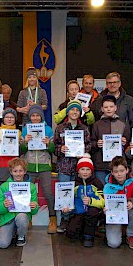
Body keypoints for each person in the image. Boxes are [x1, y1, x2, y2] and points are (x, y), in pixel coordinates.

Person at [54, 99, 91, 233]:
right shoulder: (60, 128)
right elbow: (54, 147)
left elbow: (88, 145)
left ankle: (76, 221)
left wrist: (82, 152)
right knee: (64, 194)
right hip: (64, 167)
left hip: (79, 168)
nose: (74, 112)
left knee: (77, 193)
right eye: (72, 109)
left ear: (80, 113)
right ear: (67, 112)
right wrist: (61, 149)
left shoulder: (84, 129)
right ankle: (64, 219)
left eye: (77, 110)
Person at [21, 105, 56, 234]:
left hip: (44, 165)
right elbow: (22, 150)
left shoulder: (47, 129)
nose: (35, 118)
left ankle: (52, 219)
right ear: (29, 116)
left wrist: (48, 143)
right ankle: (27, 218)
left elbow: (53, 150)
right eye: (33, 115)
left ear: (41, 116)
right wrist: (24, 142)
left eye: (37, 115)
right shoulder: (25, 129)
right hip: (29, 165)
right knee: (27, 194)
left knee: (48, 193)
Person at [0, 158, 39, 248]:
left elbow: (34, 211)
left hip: (22, 215)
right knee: (2, 244)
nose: (18, 174)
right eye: (15, 171)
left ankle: (21, 235)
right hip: (7, 218)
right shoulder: (4, 186)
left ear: (25, 171)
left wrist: (34, 206)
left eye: (20, 171)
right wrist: (4, 205)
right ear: (11, 172)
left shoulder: (31, 187)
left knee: (22, 218)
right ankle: (14, 230)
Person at [0, 108, 21, 233]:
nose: (9, 119)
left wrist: (22, 144)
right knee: (0, 197)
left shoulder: (19, 133)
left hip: (15, 168)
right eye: (7, 117)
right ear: (3, 118)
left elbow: (23, 150)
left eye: (12, 117)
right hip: (0, 166)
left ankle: (14, 223)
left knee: (15, 196)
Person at [63, 154, 104, 247]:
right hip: (79, 212)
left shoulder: (97, 183)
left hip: (92, 212)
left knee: (92, 213)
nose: (85, 172)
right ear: (78, 171)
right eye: (82, 169)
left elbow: (102, 201)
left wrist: (91, 201)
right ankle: (81, 231)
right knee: (70, 233)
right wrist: (69, 209)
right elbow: (70, 200)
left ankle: (88, 236)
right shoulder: (74, 184)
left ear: (91, 171)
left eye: (88, 169)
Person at [91, 95, 131, 186]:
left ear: (115, 108)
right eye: (106, 107)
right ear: (102, 109)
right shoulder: (96, 125)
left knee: (117, 191)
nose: (108, 109)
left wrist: (125, 142)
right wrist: (97, 144)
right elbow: (91, 143)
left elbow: (128, 143)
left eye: (111, 107)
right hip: (101, 165)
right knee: (102, 190)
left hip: (118, 166)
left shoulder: (122, 124)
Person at [103, 156, 133, 250]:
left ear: (127, 170)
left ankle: (131, 235)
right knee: (113, 244)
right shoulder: (108, 187)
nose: (119, 174)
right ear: (112, 173)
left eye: (121, 171)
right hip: (115, 215)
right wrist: (105, 209)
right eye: (116, 172)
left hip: (129, 210)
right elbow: (105, 203)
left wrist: (132, 202)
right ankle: (115, 231)